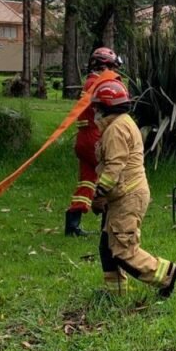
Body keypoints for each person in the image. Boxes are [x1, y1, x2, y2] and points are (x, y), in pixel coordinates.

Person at [89, 79, 176, 298]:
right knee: (107, 247)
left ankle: (166, 274)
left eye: (97, 108)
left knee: (122, 250)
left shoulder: (116, 129)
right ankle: (115, 294)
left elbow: (113, 167)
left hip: (127, 196)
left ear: (106, 107)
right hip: (123, 195)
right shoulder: (123, 123)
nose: (95, 113)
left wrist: (99, 193)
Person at [65, 47, 122, 237]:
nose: (115, 72)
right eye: (113, 67)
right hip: (94, 138)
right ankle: (109, 224)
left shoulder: (90, 81)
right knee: (112, 175)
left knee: (87, 181)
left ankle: (72, 225)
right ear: (105, 66)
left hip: (82, 138)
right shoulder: (101, 82)